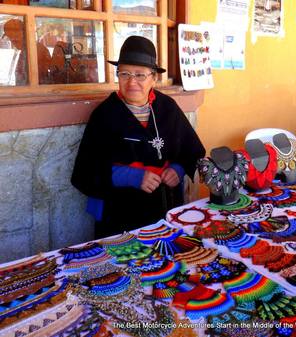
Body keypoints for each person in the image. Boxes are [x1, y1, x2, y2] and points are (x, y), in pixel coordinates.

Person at [71, 35, 206, 239]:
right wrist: (131, 177)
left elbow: (193, 150)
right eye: (124, 73)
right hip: (119, 215)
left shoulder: (168, 108)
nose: (132, 82)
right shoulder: (104, 115)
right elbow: (84, 174)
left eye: (140, 75)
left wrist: (178, 170)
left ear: (154, 78)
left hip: (165, 209)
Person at [2, 18, 51, 85]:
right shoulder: (25, 50)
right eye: (9, 38)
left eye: (13, 39)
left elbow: (38, 80)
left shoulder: (35, 50)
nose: (12, 42)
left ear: (22, 34)